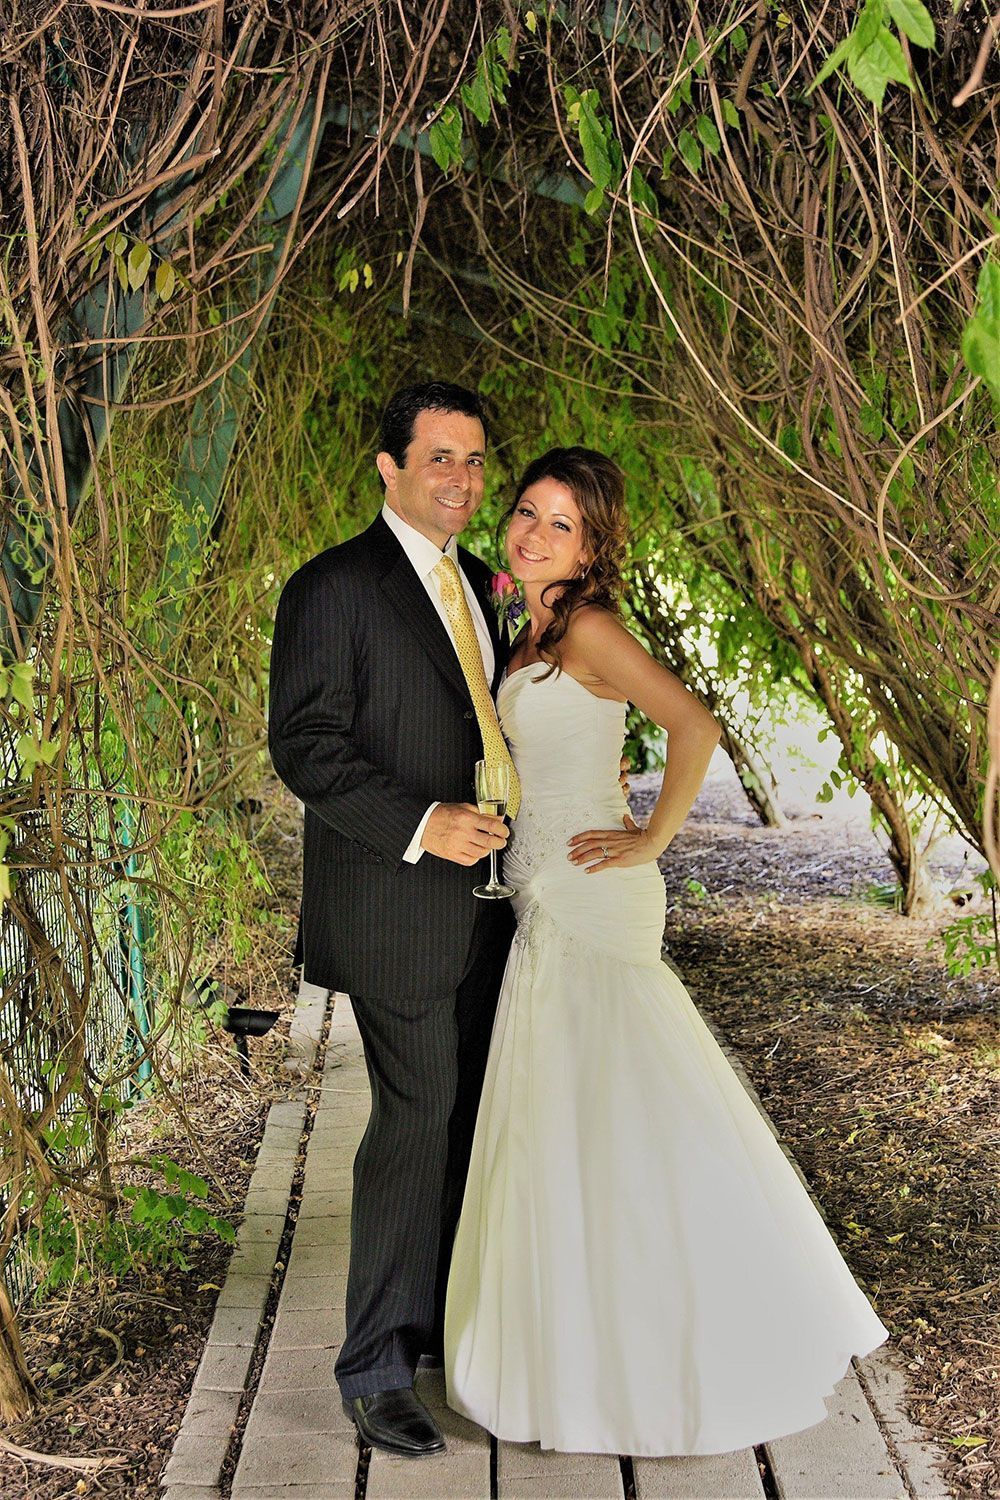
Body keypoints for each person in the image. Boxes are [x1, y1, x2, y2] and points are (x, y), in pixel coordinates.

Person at [444, 446, 889, 1456]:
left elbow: (695, 723)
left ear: (594, 542)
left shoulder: (590, 627)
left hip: (593, 895)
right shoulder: (534, 628)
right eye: (526, 512)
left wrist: (650, 837)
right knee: (572, 1126)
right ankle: (578, 1352)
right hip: (543, 893)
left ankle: (659, 1355)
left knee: (616, 1119)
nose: (532, 532)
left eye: (561, 522)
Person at [268, 382, 516, 1458]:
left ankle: (431, 1333)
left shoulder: (488, 589)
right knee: (414, 1124)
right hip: (395, 904)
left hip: (499, 912)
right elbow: (306, 747)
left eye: (472, 461)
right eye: (439, 459)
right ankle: (371, 1370)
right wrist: (423, 822)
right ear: (388, 466)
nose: (460, 480)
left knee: (468, 1121)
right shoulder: (332, 587)